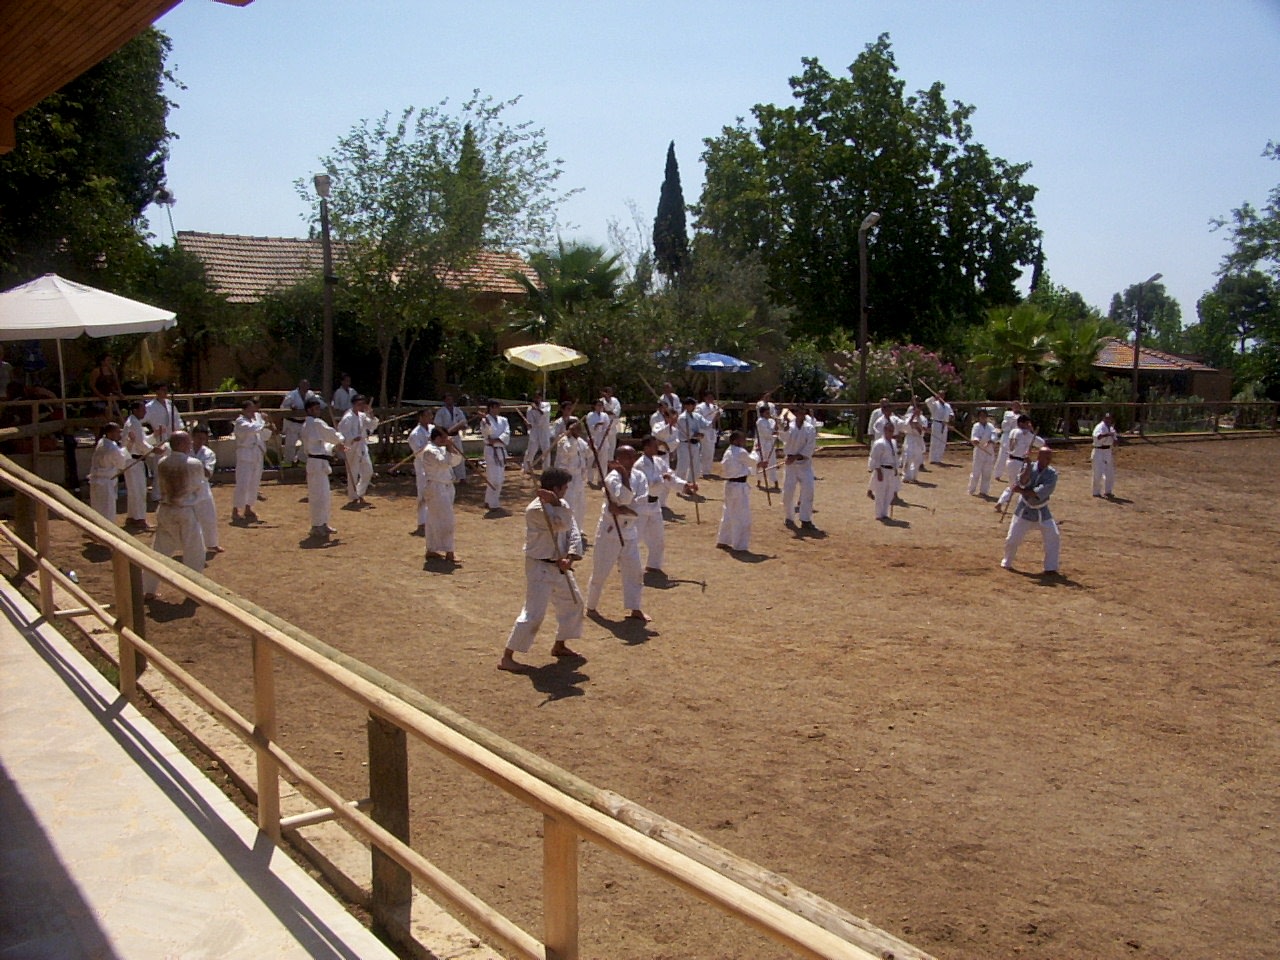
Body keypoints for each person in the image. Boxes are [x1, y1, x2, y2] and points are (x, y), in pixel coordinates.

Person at [498, 467, 585, 671]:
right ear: (555, 488)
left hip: (560, 565)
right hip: (540, 567)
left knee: (574, 603)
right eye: (564, 487)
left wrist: (570, 558)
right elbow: (561, 524)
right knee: (533, 613)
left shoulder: (562, 504)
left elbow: (572, 531)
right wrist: (554, 503)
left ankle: (560, 645)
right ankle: (507, 657)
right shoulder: (536, 510)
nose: (566, 491)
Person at [584, 445, 650, 621]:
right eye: (626, 457)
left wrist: (624, 510)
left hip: (630, 530)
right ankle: (591, 606)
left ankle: (635, 607)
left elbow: (641, 502)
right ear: (617, 460)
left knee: (634, 571)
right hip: (610, 530)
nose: (630, 461)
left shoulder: (640, 476)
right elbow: (625, 499)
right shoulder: (611, 478)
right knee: (601, 571)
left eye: (633, 456)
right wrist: (622, 476)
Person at [142, 432, 207, 599]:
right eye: (188, 442)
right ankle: (194, 591)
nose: (191, 444)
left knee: (159, 550)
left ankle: (148, 589)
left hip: (165, 509)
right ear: (183, 444)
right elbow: (200, 489)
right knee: (194, 551)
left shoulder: (163, 463)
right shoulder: (194, 464)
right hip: (185, 510)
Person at [1002, 446, 1060, 574]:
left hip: (1042, 510)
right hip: (1024, 509)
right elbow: (1022, 481)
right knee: (1012, 539)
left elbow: (1038, 492)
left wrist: (1021, 491)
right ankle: (1007, 561)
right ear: (1039, 457)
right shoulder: (1029, 467)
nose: (1049, 460)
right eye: (1046, 457)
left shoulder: (1052, 474)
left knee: (1053, 537)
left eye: (1050, 458)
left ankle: (1051, 567)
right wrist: (1028, 464)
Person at [301, 398, 346, 539]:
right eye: (315, 409)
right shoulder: (314, 423)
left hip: (319, 462)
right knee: (317, 496)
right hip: (316, 463)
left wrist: (334, 446)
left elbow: (323, 444)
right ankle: (316, 526)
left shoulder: (311, 425)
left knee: (325, 495)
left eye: (318, 408)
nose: (318, 411)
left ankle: (323, 523)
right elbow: (332, 435)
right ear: (309, 410)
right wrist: (340, 438)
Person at [636, 434, 681, 572]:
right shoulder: (639, 465)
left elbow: (671, 477)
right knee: (634, 537)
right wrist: (662, 479)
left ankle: (653, 565)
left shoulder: (659, 461)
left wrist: (685, 486)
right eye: (654, 445)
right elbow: (648, 485)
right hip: (641, 505)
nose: (657, 447)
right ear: (646, 447)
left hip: (655, 505)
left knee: (658, 538)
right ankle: (625, 562)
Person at [422, 426, 463, 562]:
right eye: (444, 438)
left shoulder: (442, 449)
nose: (446, 440)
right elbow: (443, 462)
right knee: (446, 519)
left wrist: (452, 448)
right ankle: (449, 551)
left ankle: (432, 548)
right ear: (437, 438)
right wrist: (449, 448)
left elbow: (455, 461)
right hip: (436, 486)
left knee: (435, 518)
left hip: (446, 485)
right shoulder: (430, 451)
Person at [716, 430, 759, 551]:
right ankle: (740, 545)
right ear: (735, 441)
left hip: (730, 485)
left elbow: (743, 467)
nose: (744, 442)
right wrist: (756, 451)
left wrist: (753, 469)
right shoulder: (740, 452)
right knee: (742, 516)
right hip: (739, 487)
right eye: (742, 439)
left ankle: (723, 540)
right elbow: (752, 461)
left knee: (728, 513)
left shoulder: (728, 452)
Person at [143, 382, 185, 501]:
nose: (165, 392)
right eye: (162, 389)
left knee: (173, 467)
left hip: (172, 438)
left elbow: (177, 420)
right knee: (159, 468)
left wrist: (179, 432)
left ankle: (170, 491)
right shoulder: (150, 407)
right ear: (157, 391)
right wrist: (151, 433)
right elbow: (141, 421)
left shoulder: (170, 404)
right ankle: (157, 494)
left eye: (166, 389)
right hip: (159, 439)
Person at [232, 399, 271, 523]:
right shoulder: (240, 422)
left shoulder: (256, 421)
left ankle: (248, 507)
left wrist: (268, 426)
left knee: (254, 483)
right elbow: (252, 429)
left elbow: (264, 435)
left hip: (257, 454)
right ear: (244, 410)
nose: (252, 412)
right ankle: (236, 510)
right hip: (245, 455)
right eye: (250, 410)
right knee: (243, 483)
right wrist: (263, 421)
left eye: (253, 409)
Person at [995, 415, 1044, 512]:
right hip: (1018, 462)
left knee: (1013, 484)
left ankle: (1001, 502)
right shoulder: (1025, 433)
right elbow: (1041, 443)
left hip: (1011, 461)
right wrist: (1032, 431)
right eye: (1027, 423)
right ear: (1021, 423)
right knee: (1022, 485)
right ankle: (1022, 506)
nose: (1028, 425)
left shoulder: (1013, 431)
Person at [780, 403, 818, 530]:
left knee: (808, 490)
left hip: (804, 464)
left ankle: (805, 519)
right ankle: (789, 517)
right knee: (788, 493)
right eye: (798, 412)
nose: (801, 414)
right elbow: (783, 439)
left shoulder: (810, 428)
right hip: (790, 465)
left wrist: (796, 457)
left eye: (803, 412)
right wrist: (783, 427)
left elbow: (810, 447)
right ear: (795, 413)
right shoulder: (789, 426)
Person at [337, 393, 379, 506]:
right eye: (359, 404)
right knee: (353, 473)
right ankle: (353, 496)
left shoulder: (362, 416)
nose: (361, 406)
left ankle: (360, 492)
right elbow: (342, 433)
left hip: (362, 446)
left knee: (368, 471)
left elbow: (372, 425)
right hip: (351, 448)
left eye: (362, 404)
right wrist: (352, 438)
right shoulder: (348, 417)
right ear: (354, 404)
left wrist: (371, 413)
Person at [189, 425, 223, 555]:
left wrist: (196, 464)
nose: (200, 441)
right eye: (198, 438)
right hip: (187, 488)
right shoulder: (185, 450)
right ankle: (189, 546)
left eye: (203, 438)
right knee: (189, 519)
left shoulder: (208, 453)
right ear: (192, 437)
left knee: (209, 517)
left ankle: (212, 544)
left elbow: (208, 473)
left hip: (202, 487)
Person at [88, 421, 130, 523]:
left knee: (97, 507)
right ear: (110, 433)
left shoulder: (102, 442)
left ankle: (97, 528)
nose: (119, 434)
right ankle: (107, 531)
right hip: (105, 482)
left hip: (96, 480)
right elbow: (121, 463)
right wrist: (130, 445)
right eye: (117, 432)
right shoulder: (111, 448)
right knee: (107, 509)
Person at [121, 399, 154, 531]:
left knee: (135, 490)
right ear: (135, 410)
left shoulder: (135, 423)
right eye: (143, 410)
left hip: (136, 460)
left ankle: (132, 517)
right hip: (133, 460)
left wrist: (154, 436)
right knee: (138, 490)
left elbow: (143, 440)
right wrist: (153, 450)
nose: (145, 412)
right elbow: (140, 444)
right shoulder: (133, 423)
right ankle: (139, 519)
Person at [554, 417, 591, 530]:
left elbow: (588, 453)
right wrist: (569, 436)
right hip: (567, 478)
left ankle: (578, 529)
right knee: (569, 504)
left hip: (579, 477)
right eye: (577, 428)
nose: (579, 430)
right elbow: (569, 452)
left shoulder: (580, 441)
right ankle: (567, 528)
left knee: (580, 505)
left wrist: (592, 446)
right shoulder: (563, 441)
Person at [279, 378, 320, 466]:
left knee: (306, 442)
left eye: (307, 385)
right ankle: (288, 462)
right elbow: (283, 407)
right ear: (300, 385)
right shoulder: (292, 394)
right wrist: (291, 407)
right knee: (290, 443)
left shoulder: (311, 394)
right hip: (292, 422)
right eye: (304, 385)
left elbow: (319, 403)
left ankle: (302, 460)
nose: (305, 387)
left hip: (304, 422)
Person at [479, 399, 510, 511]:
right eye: (494, 407)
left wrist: (497, 440)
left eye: (498, 407)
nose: (497, 409)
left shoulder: (504, 420)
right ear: (490, 408)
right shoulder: (484, 420)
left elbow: (507, 433)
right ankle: (493, 504)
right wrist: (487, 421)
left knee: (500, 478)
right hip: (490, 451)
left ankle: (488, 501)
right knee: (493, 478)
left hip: (500, 449)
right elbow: (487, 434)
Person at [867, 419, 900, 520]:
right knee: (880, 492)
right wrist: (878, 471)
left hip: (891, 470)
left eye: (892, 431)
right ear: (885, 430)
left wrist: (896, 469)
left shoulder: (893, 442)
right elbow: (875, 458)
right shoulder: (879, 443)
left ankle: (885, 513)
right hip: (882, 469)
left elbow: (895, 457)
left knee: (889, 492)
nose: (890, 433)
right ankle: (878, 514)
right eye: (889, 430)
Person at [407, 409, 433, 536]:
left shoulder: (433, 429)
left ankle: (432, 519)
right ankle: (422, 522)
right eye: (427, 415)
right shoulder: (415, 434)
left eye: (431, 415)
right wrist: (429, 447)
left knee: (434, 492)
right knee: (422, 493)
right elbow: (418, 452)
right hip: (422, 465)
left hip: (435, 465)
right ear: (421, 417)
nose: (430, 417)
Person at [433, 394, 470, 481]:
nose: (450, 401)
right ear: (445, 401)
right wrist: (444, 434)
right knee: (447, 456)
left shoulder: (458, 410)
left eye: (451, 399)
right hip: (444, 436)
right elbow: (437, 425)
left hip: (456, 436)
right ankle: (449, 477)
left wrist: (459, 427)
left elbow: (464, 423)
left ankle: (461, 477)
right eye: (448, 399)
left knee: (459, 455)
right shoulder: (440, 412)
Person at [674, 397, 706, 487]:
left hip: (695, 444)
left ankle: (690, 484)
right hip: (685, 444)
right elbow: (688, 433)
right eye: (692, 405)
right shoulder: (682, 418)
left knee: (696, 466)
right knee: (682, 466)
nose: (694, 406)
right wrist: (698, 435)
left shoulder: (696, 416)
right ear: (687, 406)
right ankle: (679, 485)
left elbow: (706, 424)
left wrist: (715, 415)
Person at [968, 408, 999, 497]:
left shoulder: (991, 426)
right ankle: (971, 490)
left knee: (987, 472)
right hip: (979, 449)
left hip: (989, 450)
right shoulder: (976, 426)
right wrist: (976, 440)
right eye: (981, 416)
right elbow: (974, 436)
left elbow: (994, 435)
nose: (983, 417)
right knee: (976, 472)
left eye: (984, 416)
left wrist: (991, 441)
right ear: (978, 417)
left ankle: (984, 491)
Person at [522, 391, 552, 475]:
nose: (536, 399)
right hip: (535, 431)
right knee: (531, 450)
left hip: (544, 430)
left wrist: (537, 409)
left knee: (546, 450)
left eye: (538, 397)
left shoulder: (547, 405)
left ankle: (546, 470)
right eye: (535, 397)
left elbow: (544, 414)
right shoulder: (529, 409)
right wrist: (528, 424)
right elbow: (531, 422)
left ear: (541, 398)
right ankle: (526, 467)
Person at [584, 398, 612, 484]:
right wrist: (596, 425)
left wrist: (607, 431)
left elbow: (607, 426)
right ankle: (590, 478)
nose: (600, 407)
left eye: (601, 405)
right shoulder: (590, 415)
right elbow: (589, 427)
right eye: (598, 405)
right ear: (594, 406)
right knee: (590, 459)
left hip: (603, 438)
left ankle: (601, 479)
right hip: (593, 438)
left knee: (603, 460)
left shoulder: (605, 415)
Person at [994, 400, 1024, 481]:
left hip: (1017, 437)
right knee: (1002, 456)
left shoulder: (1022, 416)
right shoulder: (1008, 413)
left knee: (1015, 457)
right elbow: (1006, 424)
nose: (1016, 407)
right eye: (1015, 405)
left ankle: (1015, 475)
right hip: (1007, 436)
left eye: (1018, 406)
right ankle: (997, 474)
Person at [694, 390, 721, 479]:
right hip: (704, 430)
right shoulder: (700, 407)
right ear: (705, 398)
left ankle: (707, 469)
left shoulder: (713, 407)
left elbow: (720, 412)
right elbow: (698, 418)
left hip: (712, 430)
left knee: (711, 451)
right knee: (705, 450)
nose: (711, 399)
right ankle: (703, 470)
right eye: (709, 397)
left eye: (712, 398)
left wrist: (718, 413)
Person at [1091, 412, 1119, 497]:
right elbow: (1097, 436)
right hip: (1098, 450)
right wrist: (1107, 434)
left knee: (1110, 472)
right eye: (1107, 418)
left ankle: (1108, 491)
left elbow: (1115, 441)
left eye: (1110, 418)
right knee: (1098, 472)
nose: (1108, 420)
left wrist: (1114, 439)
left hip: (1107, 451)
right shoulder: (1099, 427)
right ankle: (1096, 492)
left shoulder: (1111, 428)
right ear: (1104, 418)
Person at [900, 399, 928, 483]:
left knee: (917, 459)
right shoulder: (908, 416)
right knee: (908, 457)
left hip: (918, 439)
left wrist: (918, 426)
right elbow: (906, 426)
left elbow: (923, 430)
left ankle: (913, 477)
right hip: (910, 438)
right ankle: (905, 476)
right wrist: (913, 418)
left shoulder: (923, 419)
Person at [90, 353, 124, 420]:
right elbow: (92, 385)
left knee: (116, 415)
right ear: (102, 362)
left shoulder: (112, 371)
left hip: (112, 397)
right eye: (108, 360)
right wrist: (100, 395)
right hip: (101, 398)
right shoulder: (97, 371)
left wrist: (119, 392)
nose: (110, 362)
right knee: (102, 416)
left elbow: (116, 383)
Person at [754, 402, 779, 489]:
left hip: (770, 443)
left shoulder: (771, 421)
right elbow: (767, 433)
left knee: (772, 461)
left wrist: (776, 424)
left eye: (769, 413)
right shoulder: (760, 421)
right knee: (761, 461)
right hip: (762, 443)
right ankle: (759, 480)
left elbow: (775, 430)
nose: (769, 414)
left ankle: (775, 480)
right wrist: (773, 432)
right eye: (767, 413)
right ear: (762, 413)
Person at [924, 388, 953, 464]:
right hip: (937, 423)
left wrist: (948, 420)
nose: (942, 396)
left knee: (942, 442)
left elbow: (951, 414)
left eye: (943, 395)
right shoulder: (934, 404)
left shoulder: (947, 405)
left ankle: (939, 458)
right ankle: (933, 459)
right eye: (940, 395)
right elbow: (927, 401)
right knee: (935, 441)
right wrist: (934, 397)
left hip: (944, 424)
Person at [600, 386, 623, 466]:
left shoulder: (615, 401)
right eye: (607, 392)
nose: (608, 394)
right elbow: (601, 412)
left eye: (610, 392)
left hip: (613, 427)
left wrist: (608, 412)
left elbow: (616, 412)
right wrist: (608, 412)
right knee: (604, 446)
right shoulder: (600, 401)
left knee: (612, 446)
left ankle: (610, 463)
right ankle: (603, 463)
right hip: (603, 428)